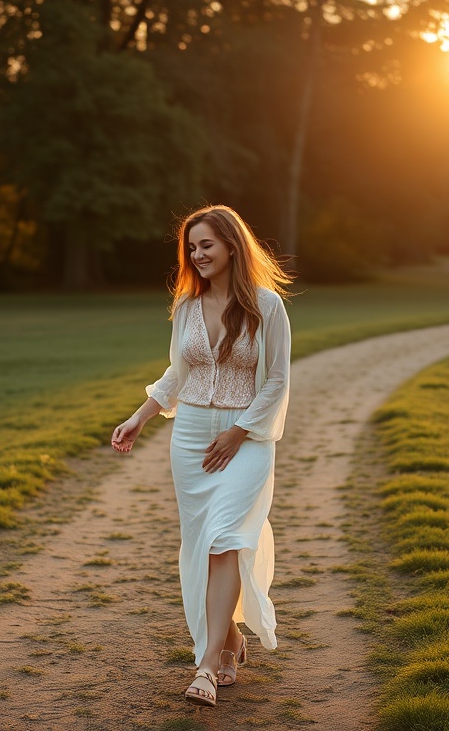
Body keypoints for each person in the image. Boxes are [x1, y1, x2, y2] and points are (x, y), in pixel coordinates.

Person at [111, 205, 293, 707]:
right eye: (192, 247)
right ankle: (229, 640)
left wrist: (239, 431)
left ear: (231, 245)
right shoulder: (188, 306)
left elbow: (276, 380)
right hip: (190, 435)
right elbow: (178, 373)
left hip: (246, 438)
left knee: (225, 540)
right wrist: (140, 416)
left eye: (206, 244)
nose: (197, 254)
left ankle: (207, 667)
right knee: (200, 546)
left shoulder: (267, 305)